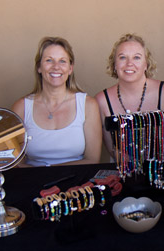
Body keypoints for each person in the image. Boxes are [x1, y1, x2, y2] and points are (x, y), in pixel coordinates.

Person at [11, 36, 101, 167]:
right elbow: (16, 163)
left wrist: (52, 172)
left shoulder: (88, 105)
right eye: (49, 60)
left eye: (62, 61)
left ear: (70, 68)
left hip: (76, 181)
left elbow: (92, 159)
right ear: (39, 67)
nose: (56, 67)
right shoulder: (21, 107)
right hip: (34, 182)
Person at [95, 34, 164, 159]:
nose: (129, 63)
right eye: (123, 57)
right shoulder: (101, 101)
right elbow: (113, 151)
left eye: (137, 57)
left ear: (146, 64)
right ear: (114, 64)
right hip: (124, 173)